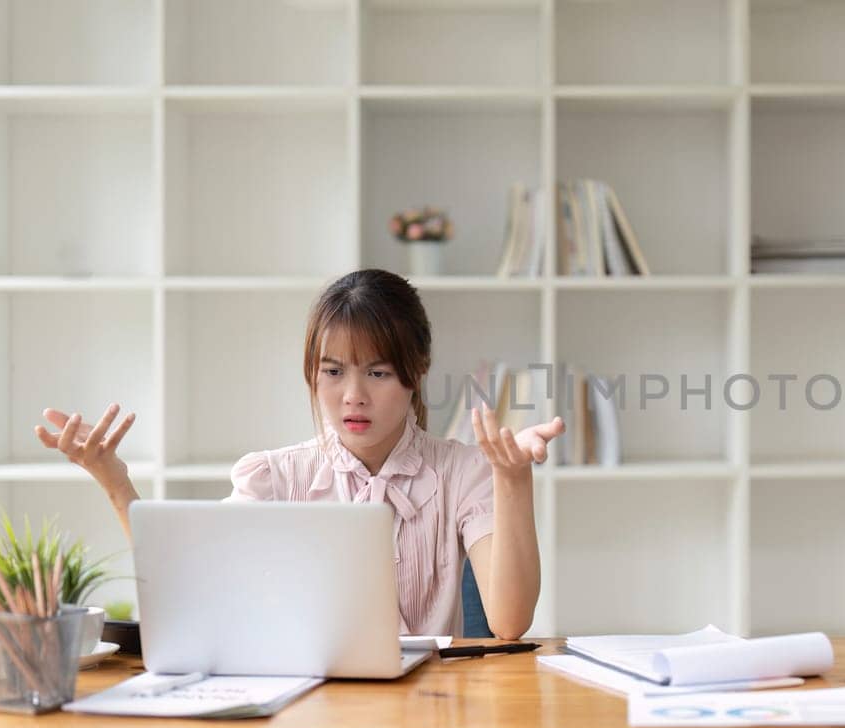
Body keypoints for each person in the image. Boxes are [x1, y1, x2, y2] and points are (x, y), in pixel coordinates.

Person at [33, 269, 564, 640]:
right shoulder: (277, 478)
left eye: (376, 372)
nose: (352, 395)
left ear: (416, 369)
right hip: (308, 716)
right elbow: (188, 584)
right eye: (333, 372)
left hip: (431, 717)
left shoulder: (464, 471)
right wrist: (114, 480)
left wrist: (512, 481)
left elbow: (509, 623)